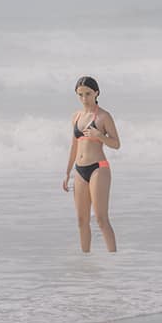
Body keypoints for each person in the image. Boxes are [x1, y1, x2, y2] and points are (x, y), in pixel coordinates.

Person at [62, 76, 121, 253]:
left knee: (101, 219)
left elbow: (116, 144)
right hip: (79, 171)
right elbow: (74, 145)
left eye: (88, 94)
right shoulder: (76, 116)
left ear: (96, 93)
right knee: (81, 220)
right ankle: (85, 262)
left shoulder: (104, 116)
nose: (84, 98)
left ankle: (114, 259)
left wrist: (99, 135)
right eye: (80, 95)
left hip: (98, 167)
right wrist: (67, 173)